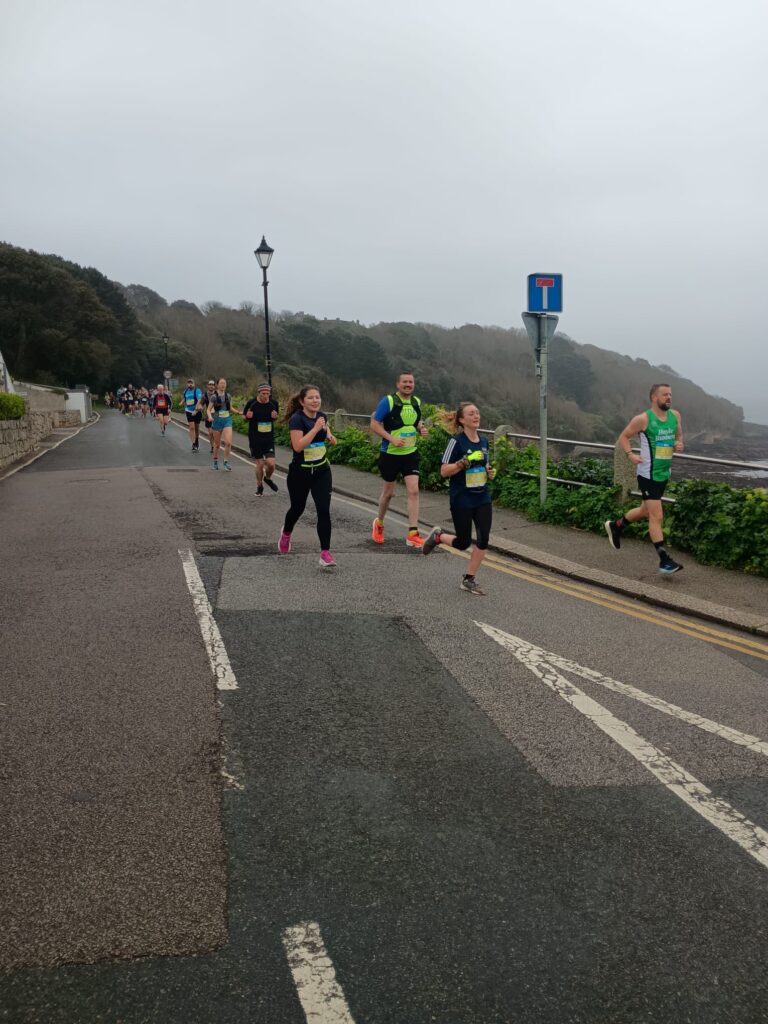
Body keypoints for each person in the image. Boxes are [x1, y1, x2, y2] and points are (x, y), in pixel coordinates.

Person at [605, 383, 684, 575]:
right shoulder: (643, 419)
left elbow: (679, 434)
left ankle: (616, 526)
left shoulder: (675, 416)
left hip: (663, 473)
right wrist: (630, 454)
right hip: (647, 474)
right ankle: (664, 561)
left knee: (644, 510)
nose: (669, 397)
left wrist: (678, 442)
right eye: (665, 395)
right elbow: (623, 437)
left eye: (670, 394)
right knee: (656, 516)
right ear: (654, 398)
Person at [422, 402, 496, 595]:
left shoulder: (484, 441)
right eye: (471, 414)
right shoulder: (456, 442)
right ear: (462, 420)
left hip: (482, 497)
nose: (476, 416)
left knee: (483, 538)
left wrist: (489, 472)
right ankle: (438, 537)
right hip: (461, 498)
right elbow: (444, 471)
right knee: (463, 543)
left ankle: (469, 579)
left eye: (478, 413)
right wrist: (465, 462)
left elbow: (485, 465)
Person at [278, 385, 338, 568]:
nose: (315, 401)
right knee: (297, 508)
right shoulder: (297, 420)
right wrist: (315, 429)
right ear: (302, 401)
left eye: (317, 398)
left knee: (323, 510)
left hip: (321, 471)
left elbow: (326, 431)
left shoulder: (322, 417)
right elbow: (298, 446)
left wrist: (330, 437)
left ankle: (325, 553)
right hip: (300, 473)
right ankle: (286, 533)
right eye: (311, 398)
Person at [370, 372, 429, 548]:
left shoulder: (416, 402)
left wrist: (421, 429)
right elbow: (374, 424)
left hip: (410, 453)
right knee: (388, 494)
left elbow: (416, 422)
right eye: (404, 382)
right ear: (398, 384)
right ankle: (379, 523)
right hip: (391, 454)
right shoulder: (388, 401)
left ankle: (413, 533)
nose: (408, 384)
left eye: (411, 382)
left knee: (414, 491)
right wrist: (391, 438)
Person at [243, 382, 279, 495]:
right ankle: (259, 486)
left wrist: (275, 417)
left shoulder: (274, 403)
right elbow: (245, 418)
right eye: (263, 393)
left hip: (268, 438)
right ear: (258, 393)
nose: (266, 396)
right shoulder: (251, 403)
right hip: (255, 438)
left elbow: (275, 418)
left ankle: (267, 478)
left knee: (271, 463)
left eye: (268, 393)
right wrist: (247, 418)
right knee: (260, 463)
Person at [205, 378, 242, 471]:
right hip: (217, 421)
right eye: (221, 383)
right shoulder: (214, 397)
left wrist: (238, 412)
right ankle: (215, 462)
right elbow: (208, 409)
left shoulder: (228, 396)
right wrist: (209, 416)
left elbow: (230, 408)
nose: (223, 385)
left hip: (227, 420)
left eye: (224, 383)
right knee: (217, 445)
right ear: (217, 385)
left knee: (228, 443)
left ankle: (225, 462)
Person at [182, 377, 204, 451]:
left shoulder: (197, 390)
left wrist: (196, 409)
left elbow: (199, 399)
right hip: (188, 411)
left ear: (194, 384)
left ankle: (197, 439)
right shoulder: (185, 391)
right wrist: (182, 403)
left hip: (197, 411)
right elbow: (185, 398)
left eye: (191, 383)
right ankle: (194, 443)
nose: (190, 384)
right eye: (189, 383)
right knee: (191, 427)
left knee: (197, 427)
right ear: (187, 384)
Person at [197, 380, 216, 452]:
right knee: (211, 433)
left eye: (212, 385)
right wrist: (199, 407)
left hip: (217, 416)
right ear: (207, 386)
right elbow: (201, 404)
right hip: (209, 416)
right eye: (210, 385)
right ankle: (212, 446)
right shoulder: (205, 395)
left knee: (216, 433)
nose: (211, 386)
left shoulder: (217, 394)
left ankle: (216, 445)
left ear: (214, 386)